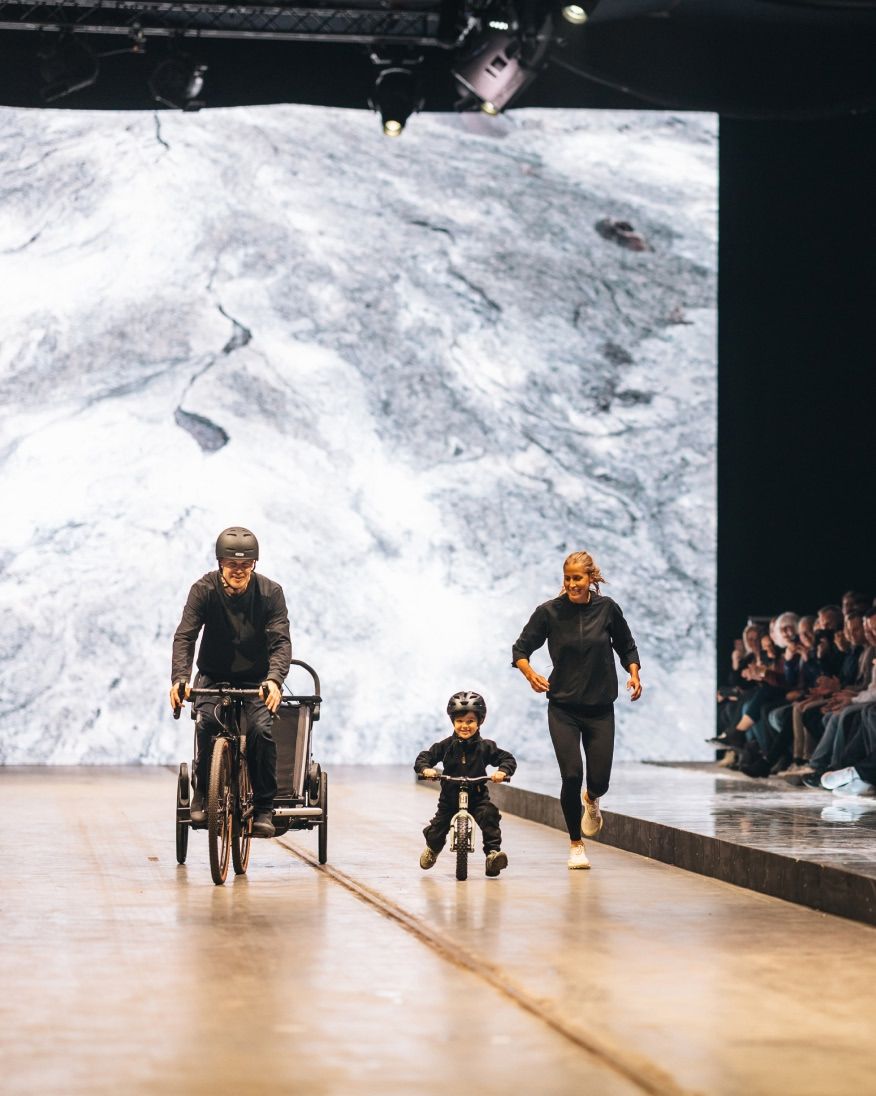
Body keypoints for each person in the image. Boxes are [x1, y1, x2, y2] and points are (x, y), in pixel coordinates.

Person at [512, 551, 642, 870]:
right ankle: (575, 844)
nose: (572, 584)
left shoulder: (607, 609)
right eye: (567, 578)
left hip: (600, 708)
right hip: (563, 708)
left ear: (590, 579)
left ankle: (592, 800)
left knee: (599, 780)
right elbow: (520, 650)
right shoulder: (549, 612)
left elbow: (626, 645)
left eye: (578, 578)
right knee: (571, 774)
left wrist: (634, 674)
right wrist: (530, 674)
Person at [170, 526, 291, 838]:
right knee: (205, 724)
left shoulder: (270, 593)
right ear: (220, 562)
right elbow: (186, 635)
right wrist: (180, 679)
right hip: (213, 676)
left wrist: (275, 680)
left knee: (261, 732)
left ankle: (263, 807)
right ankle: (202, 794)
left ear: (254, 564)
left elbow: (280, 642)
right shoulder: (203, 590)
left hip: (257, 681)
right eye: (232, 564)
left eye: (245, 564)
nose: (239, 570)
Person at [415, 691, 517, 877]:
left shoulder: (486, 746)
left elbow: (506, 758)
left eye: (470, 721)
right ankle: (433, 847)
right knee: (438, 830)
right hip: (450, 798)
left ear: (479, 722)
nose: (464, 726)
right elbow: (426, 757)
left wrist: (503, 771)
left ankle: (492, 856)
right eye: (460, 721)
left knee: (489, 815)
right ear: (453, 722)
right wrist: (425, 769)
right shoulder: (446, 746)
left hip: (477, 796)